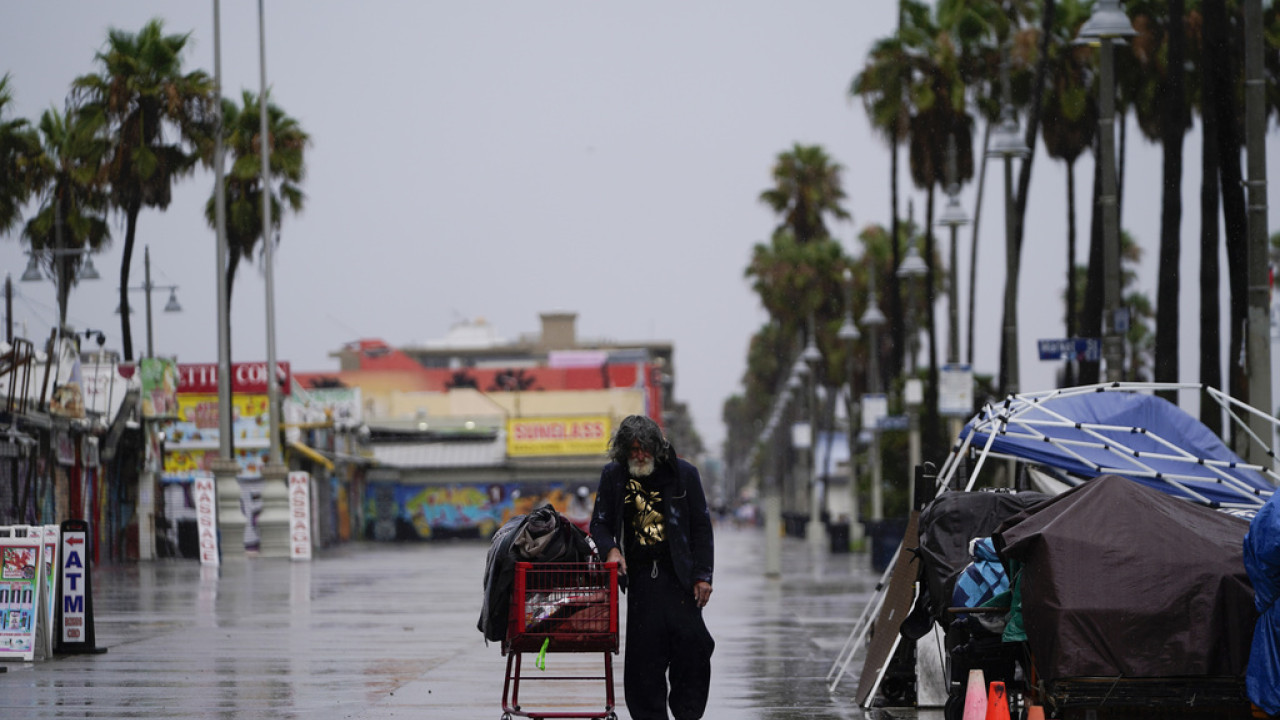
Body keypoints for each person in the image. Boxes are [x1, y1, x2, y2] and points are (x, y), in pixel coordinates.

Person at [590, 414, 714, 720]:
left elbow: (701, 528)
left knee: (694, 648)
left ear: (656, 447)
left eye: (644, 448)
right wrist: (612, 550)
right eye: (632, 450)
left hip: (680, 579)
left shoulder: (684, 474)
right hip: (642, 582)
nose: (640, 455)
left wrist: (703, 576)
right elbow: (600, 523)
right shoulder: (614, 476)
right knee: (645, 659)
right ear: (622, 450)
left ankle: (687, 712)